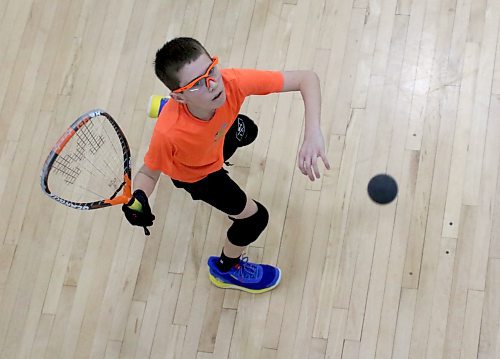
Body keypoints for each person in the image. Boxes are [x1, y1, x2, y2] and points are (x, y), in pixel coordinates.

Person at [122, 37, 330, 293]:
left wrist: (313, 132)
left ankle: (181, 106)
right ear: (180, 94)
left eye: (211, 70)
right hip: (200, 176)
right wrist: (139, 197)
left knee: (248, 130)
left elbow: (306, 78)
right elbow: (148, 173)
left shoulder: (230, 83)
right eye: (197, 84)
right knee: (255, 219)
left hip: (217, 137)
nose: (212, 85)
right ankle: (225, 269)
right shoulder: (168, 135)